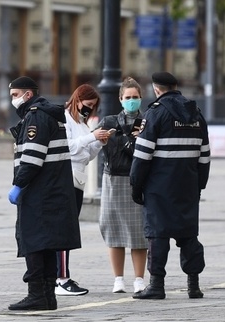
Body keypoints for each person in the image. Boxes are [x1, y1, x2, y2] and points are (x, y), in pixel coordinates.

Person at [130, 72, 210, 300]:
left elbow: (142, 157)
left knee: (158, 235)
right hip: (188, 186)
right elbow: (205, 157)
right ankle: (193, 285)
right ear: (176, 86)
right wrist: (198, 186)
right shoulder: (196, 114)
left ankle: (156, 285)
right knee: (188, 236)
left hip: (159, 189)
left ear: (156, 90)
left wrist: (137, 187)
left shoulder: (155, 114)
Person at [7, 76, 81, 310]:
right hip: (54, 189)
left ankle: (37, 294)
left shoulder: (36, 116)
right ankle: (48, 296)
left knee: (35, 242)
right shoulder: (49, 115)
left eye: (15, 95)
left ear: (28, 95)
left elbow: (32, 157)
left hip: (40, 191)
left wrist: (19, 184)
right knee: (48, 243)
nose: (13, 100)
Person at [56, 84, 108, 296]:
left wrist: (99, 143)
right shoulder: (64, 118)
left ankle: (62, 275)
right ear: (77, 100)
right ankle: (61, 278)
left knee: (68, 230)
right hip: (65, 178)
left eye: (93, 107)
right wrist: (91, 137)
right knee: (63, 230)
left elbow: (85, 155)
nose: (89, 110)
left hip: (77, 178)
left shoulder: (81, 123)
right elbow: (67, 147)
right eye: (87, 105)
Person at [97, 77, 148, 294]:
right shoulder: (108, 121)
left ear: (141, 98)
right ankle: (118, 279)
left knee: (139, 233)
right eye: (127, 98)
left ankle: (139, 279)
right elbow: (93, 145)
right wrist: (100, 138)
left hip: (137, 180)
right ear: (120, 99)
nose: (131, 101)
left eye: (135, 97)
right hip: (113, 180)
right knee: (114, 230)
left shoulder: (147, 121)